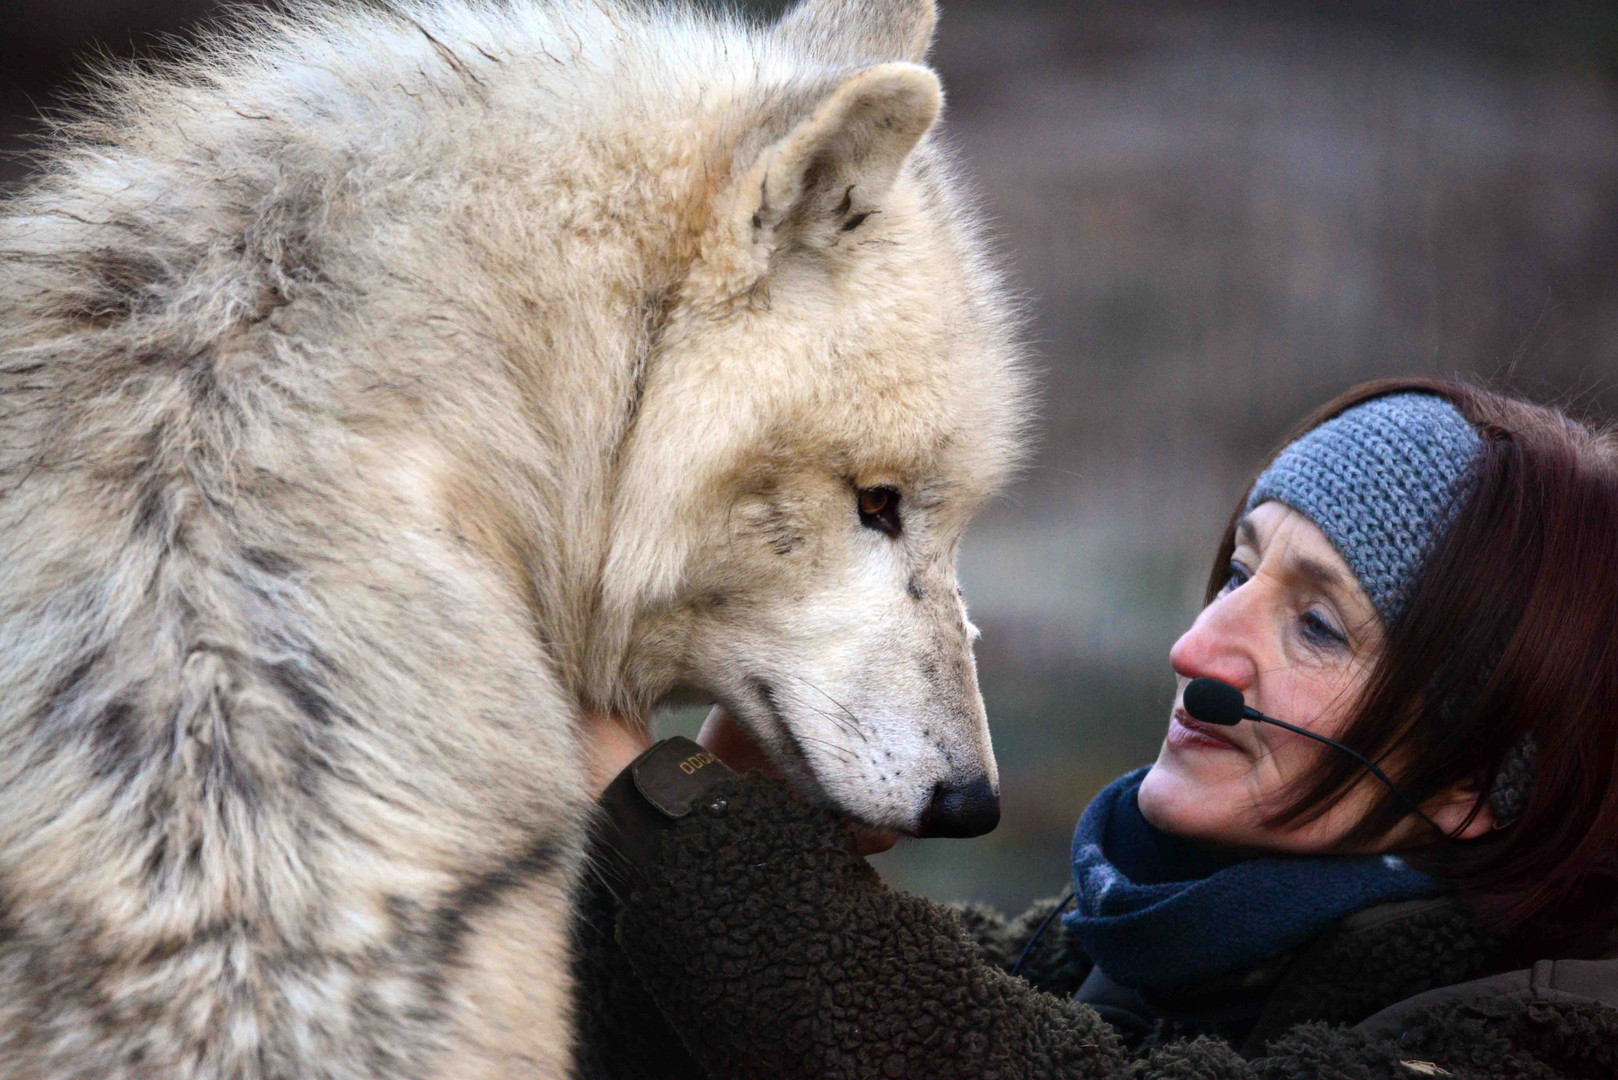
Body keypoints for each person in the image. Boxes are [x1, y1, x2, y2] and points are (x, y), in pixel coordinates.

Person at [573, 378, 1618, 1080]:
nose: (1197, 648)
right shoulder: (1113, 954)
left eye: (1313, 624)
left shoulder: (1531, 1040)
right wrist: (741, 769)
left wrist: (677, 819)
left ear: (1472, 783)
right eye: (1240, 571)